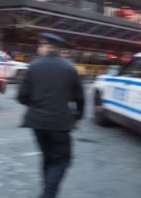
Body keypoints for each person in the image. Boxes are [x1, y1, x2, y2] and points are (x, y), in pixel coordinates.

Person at [18, 32, 85, 198]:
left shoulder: (33, 66)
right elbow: (80, 98)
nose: (39, 48)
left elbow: (22, 96)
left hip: (37, 122)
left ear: (48, 47)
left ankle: (47, 189)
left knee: (48, 157)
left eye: (41, 45)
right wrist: (77, 116)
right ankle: (48, 194)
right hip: (60, 123)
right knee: (61, 160)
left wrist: (36, 105)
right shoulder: (69, 68)